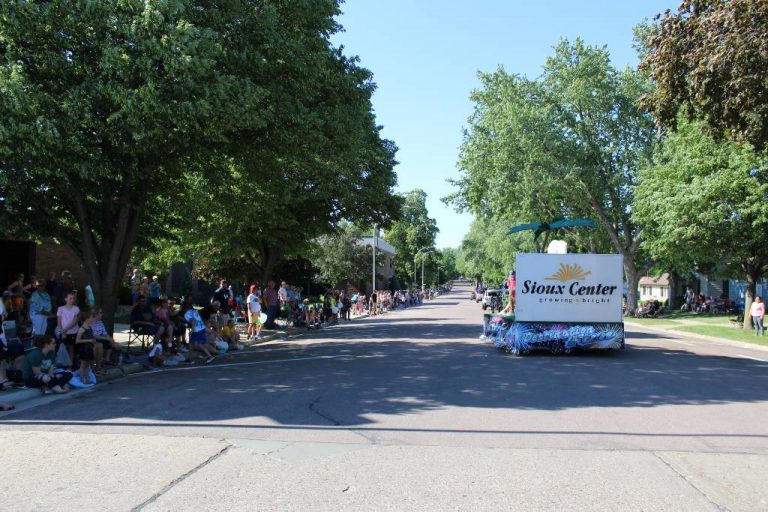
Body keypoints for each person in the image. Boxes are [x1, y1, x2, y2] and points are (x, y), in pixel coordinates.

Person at [74, 311, 100, 384]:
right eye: (91, 318)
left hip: (89, 348)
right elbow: (77, 341)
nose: (92, 319)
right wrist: (89, 340)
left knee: (88, 365)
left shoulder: (90, 327)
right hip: (84, 349)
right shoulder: (81, 329)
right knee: (83, 365)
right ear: (86, 319)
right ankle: (81, 379)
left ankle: (87, 379)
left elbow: (91, 336)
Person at [56, 290, 80, 365]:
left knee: (71, 349)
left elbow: (75, 322)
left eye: (73, 298)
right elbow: (59, 321)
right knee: (63, 348)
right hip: (63, 332)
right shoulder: (60, 309)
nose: (72, 300)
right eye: (70, 298)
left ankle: (70, 365)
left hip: (73, 332)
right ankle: (63, 365)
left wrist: (64, 330)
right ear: (65, 299)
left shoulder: (76, 308)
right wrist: (62, 331)